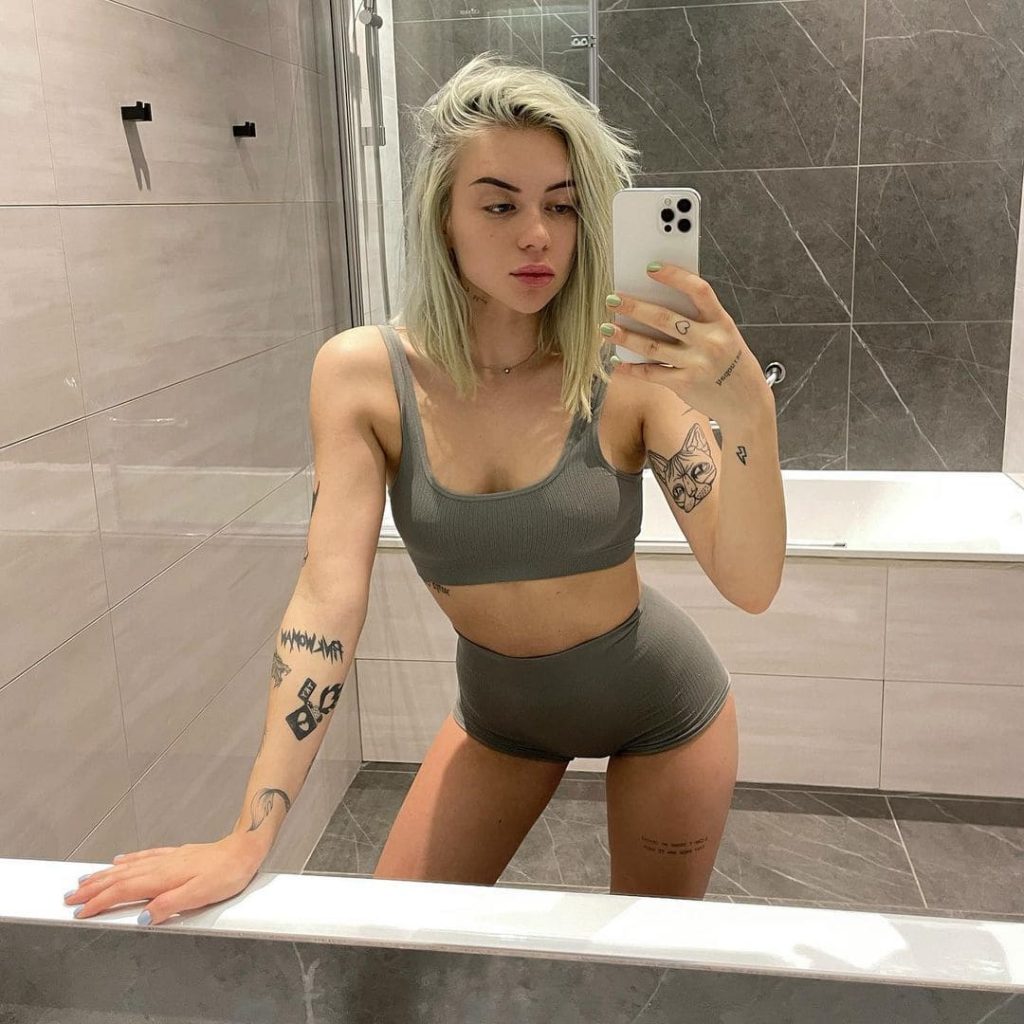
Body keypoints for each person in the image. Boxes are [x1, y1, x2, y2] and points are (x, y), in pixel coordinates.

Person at [63, 52, 784, 928]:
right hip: (502, 721)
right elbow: (326, 599)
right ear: (443, 216)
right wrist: (250, 835)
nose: (537, 235)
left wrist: (747, 408)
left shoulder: (625, 372)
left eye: (561, 205)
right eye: (500, 204)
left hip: (663, 711)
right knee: (389, 950)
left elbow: (751, 584)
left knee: (644, 974)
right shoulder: (363, 377)